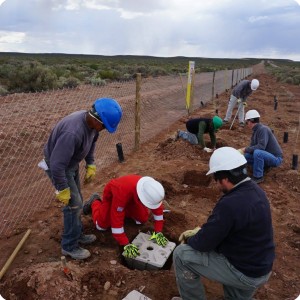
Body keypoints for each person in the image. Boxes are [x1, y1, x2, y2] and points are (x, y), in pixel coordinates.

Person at [172, 147, 275, 300]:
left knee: (181, 255)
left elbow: (204, 244)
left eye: (216, 179)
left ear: (225, 179)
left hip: (244, 271)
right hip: (260, 266)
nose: (216, 184)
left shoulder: (230, 203)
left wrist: (191, 239)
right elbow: (233, 226)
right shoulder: (256, 190)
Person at [42, 97, 123, 260]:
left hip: (70, 164)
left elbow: (92, 141)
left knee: (77, 201)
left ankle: (77, 234)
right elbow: (57, 165)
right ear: (96, 119)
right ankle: (69, 246)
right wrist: (62, 188)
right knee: (74, 205)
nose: (104, 129)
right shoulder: (72, 132)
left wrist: (90, 163)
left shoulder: (92, 125)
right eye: (104, 126)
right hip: (60, 168)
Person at [82, 175, 168, 257]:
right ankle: (95, 201)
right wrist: (125, 243)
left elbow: (158, 211)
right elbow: (116, 221)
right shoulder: (121, 193)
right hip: (114, 196)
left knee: (142, 219)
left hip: (132, 196)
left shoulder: (153, 192)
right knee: (101, 225)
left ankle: (126, 209)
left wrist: (158, 231)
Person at [239, 109, 283, 184]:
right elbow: (252, 147)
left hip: (275, 158)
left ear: (251, 121)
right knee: (245, 156)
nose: (247, 124)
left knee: (257, 153)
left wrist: (245, 149)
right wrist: (243, 152)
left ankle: (258, 177)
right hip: (266, 155)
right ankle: (263, 167)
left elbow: (261, 147)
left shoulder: (263, 129)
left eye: (247, 122)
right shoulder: (255, 131)